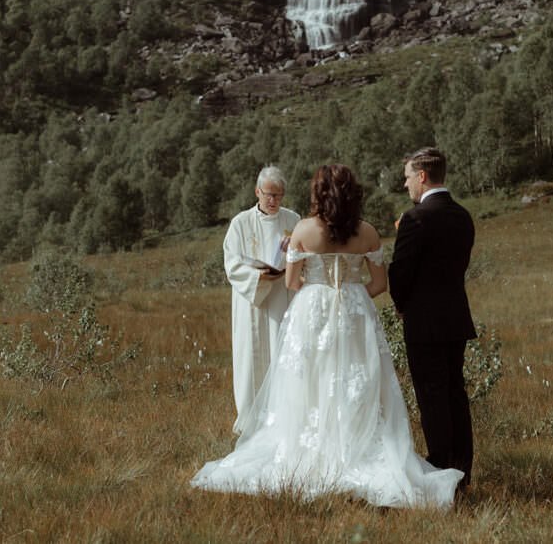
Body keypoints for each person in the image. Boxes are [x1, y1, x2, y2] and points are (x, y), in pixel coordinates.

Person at [193, 164, 463, 508]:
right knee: (358, 379)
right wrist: (352, 294)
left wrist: (319, 293)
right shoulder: (366, 232)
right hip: (355, 311)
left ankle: (310, 448)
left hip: (313, 311)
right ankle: (358, 444)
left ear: (318, 194)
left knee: (311, 379)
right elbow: (380, 284)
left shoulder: (304, 229)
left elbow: (291, 282)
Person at [388, 147, 477, 495]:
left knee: (432, 398)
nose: (406, 183)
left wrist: (401, 303)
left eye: (408, 176)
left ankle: (442, 470)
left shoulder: (415, 218)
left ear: (422, 176)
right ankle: (463, 473)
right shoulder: (463, 215)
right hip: (455, 317)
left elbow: (401, 271)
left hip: (424, 322)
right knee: (455, 394)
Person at [223, 165, 301, 433]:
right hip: (251, 301)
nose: (273, 201)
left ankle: (284, 416)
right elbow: (232, 264)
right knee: (251, 357)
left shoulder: (293, 220)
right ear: (257, 191)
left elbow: (304, 255)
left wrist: (289, 259)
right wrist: (258, 277)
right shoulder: (240, 223)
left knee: (281, 352)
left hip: (282, 294)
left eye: (278, 196)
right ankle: (250, 419)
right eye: (268, 194)